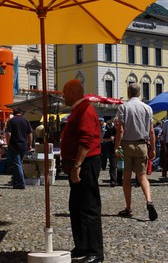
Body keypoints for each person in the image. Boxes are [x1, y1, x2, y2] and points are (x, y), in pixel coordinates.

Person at [60, 79, 104, 263]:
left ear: (72, 92)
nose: (63, 96)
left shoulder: (85, 110)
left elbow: (86, 140)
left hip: (86, 163)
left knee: (89, 206)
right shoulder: (79, 110)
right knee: (76, 206)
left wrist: (77, 165)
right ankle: (82, 246)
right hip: (79, 163)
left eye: (64, 93)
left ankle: (95, 251)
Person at [114, 83, 158, 221]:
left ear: (128, 93)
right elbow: (151, 131)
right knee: (142, 176)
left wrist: (116, 147)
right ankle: (149, 201)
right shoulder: (147, 108)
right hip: (142, 145)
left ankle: (128, 208)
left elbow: (120, 130)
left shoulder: (123, 107)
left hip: (127, 145)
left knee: (126, 177)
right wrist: (153, 148)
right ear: (139, 94)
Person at [5, 108, 33, 190]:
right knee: (19, 162)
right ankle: (15, 181)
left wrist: (8, 143)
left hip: (14, 144)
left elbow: (8, 133)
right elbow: (30, 134)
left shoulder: (11, 121)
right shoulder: (26, 120)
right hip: (23, 145)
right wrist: (30, 145)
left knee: (17, 163)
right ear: (21, 112)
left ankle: (21, 183)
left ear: (14, 113)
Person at [102, 119, 118, 187]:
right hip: (112, 149)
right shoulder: (110, 130)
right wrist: (110, 139)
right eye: (116, 123)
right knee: (113, 165)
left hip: (122, 149)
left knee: (121, 166)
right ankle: (113, 180)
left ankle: (120, 180)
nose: (117, 124)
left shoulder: (123, 129)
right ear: (114, 123)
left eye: (118, 122)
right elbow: (104, 139)